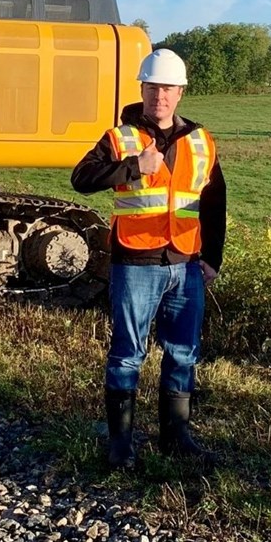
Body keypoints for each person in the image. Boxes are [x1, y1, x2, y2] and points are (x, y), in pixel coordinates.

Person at [71, 49, 227, 470]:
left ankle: (176, 435)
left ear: (180, 93)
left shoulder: (201, 140)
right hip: (135, 262)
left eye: (168, 88)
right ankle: (120, 444)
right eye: (153, 87)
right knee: (127, 353)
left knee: (183, 352)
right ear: (142, 89)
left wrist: (212, 257)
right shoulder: (119, 138)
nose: (160, 95)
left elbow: (214, 200)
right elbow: (81, 179)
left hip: (186, 262)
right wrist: (132, 167)